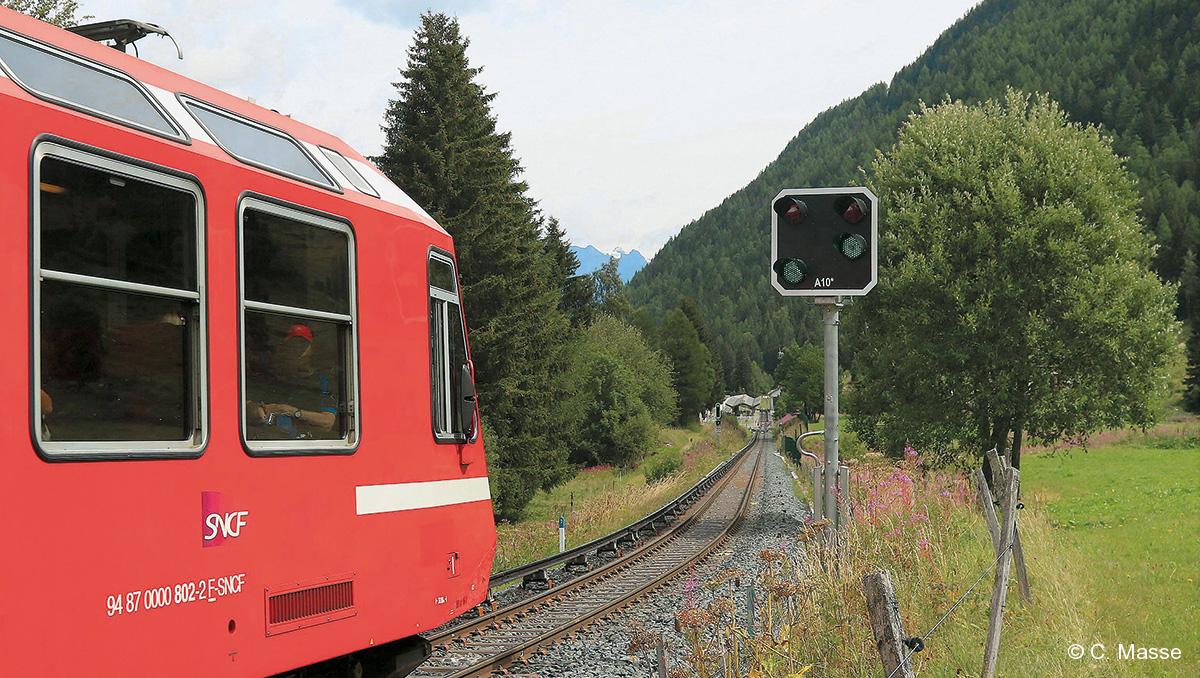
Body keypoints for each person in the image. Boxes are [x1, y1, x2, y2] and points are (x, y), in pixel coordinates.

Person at [246, 322, 340, 439]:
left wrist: (292, 412)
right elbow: (244, 405)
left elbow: (327, 422)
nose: (299, 350)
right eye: (293, 345)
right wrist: (256, 410)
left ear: (311, 350)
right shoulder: (272, 377)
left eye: (303, 345)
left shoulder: (323, 380)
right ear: (284, 349)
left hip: (303, 445)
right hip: (265, 443)